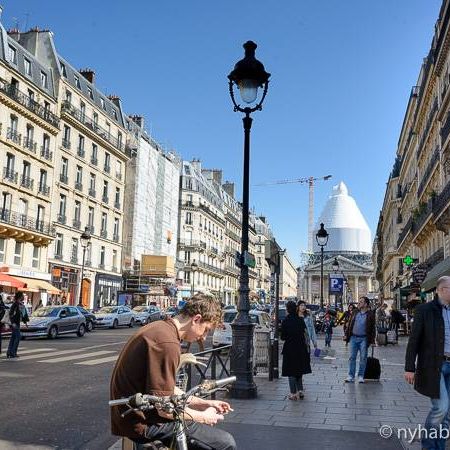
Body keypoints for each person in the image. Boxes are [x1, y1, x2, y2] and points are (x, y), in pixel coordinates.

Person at [110, 293, 236, 450]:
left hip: (136, 415)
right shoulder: (167, 343)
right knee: (225, 443)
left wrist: (204, 403)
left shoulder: (161, 328)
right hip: (143, 423)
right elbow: (164, 408)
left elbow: (166, 390)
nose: (203, 338)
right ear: (196, 319)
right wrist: (203, 417)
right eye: (205, 330)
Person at [405, 276, 450, 450]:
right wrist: (410, 368)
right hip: (434, 365)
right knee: (441, 407)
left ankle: (439, 446)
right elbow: (414, 340)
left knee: (447, 414)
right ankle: (429, 446)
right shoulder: (425, 310)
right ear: (440, 290)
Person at [281, 300, 312, 400]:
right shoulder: (300, 319)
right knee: (299, 370)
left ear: (288, 310)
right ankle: (300, 390)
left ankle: (293, 393)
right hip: (301, 347)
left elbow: (283, 337)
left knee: (291, 371)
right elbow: (304, 333)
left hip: (290, 348)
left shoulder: (286, 321)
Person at [344, 296, 376, 383]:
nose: (359, 303)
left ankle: (361, 376)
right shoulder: (355, 312)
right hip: (353, 337)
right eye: (359, 301)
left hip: (364, 338)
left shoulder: (370, 314)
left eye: (361, 302)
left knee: (363, 358)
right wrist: (346, 335)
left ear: (366, 304)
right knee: (352, 357)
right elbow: (350, 323)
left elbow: (373, 328)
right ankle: (351, 375)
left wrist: (373, 341)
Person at [6, 292, 29, 359]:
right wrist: (13, 323)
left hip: (17, 323)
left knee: (13, 338)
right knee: (18, 337)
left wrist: (25, 322)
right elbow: (11, 314)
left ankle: (9, 352)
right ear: (20, 296)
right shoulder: (15, 304)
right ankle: (13, 353)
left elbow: (23, 314)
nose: (23, 297)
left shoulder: (20, 304)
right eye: (22, 296)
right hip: (14, 324)